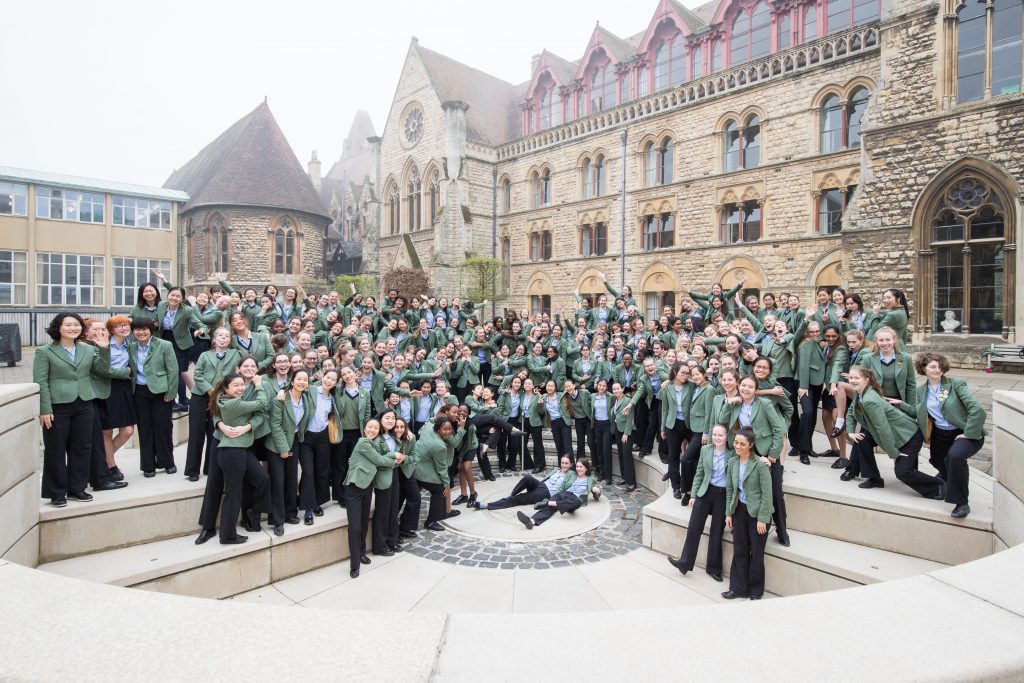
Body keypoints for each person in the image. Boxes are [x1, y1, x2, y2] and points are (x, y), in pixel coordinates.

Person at [34, 313, 113, 507]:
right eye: (68, 325)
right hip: (57, 406)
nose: (73, 328)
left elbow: (102, 369)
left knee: (82, 447)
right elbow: (40, 382)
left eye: (76, 325)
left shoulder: (86, 349)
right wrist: (44, 408)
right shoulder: (45, 352)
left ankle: (77, 488)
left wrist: (104, 349)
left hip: (84, 403)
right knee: (55, 450)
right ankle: (57, 492)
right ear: (58, 328)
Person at [844, 366, 945, 500]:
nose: (853, 381)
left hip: (908, 435)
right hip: (894, 433)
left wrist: (893, 452)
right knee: (861, 439)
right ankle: (874, 478)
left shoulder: (869, 400)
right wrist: (850, 432)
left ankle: (938, 485)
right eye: (851, 377)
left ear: (866, 380)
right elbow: (852, 411)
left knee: (902, 472)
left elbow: (882, 428)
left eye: (857, 378)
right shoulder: (860, 392)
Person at [912, 353, 985, 518]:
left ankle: (961, 503)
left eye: (939, 366)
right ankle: (947, 476)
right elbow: (918, 411)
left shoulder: (956, 384)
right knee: (937, 460)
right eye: (932, 366)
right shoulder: (921, 390)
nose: (937, 369)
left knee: (955, 457)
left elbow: (977, 410)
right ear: (923, 369)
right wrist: (899, 405)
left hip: (964, 432)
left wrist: (968, 433)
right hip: (940, 433)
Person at [208, 372, 271, 544]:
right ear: (226, 388)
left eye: (242, 384)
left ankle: (254, 511)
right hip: (232, 453)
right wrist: (258, 384)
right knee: (233, 494)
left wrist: (246, 427)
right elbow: (263, 403)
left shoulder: (224, 399)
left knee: (262, 478)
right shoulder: (234, 403)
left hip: (240, 449)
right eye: (236, 385)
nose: (241, 388)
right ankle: (227, 535)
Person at [669, 424, 731, 581]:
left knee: (716, 530)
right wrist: (693, 495)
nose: (717, 438)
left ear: (727, 436)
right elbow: (699, 474)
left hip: (722, 495)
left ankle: (714, 568)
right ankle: (685, 562)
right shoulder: (706, 450)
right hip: (705, 491)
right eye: (715, 434)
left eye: (721, 435)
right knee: (694, 527)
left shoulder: (732, 454)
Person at [721, 428, 773, 601]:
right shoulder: (733, 463)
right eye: (736, 442)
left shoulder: (760, 465)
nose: (738, 446)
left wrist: (762, 519)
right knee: (740, 550)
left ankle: (756, 590)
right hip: (739, 511)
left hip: (758, 513)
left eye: (742, 444)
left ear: (751, 445)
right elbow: (730, 489)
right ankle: (738, 588)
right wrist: (729, 513)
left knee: (756, 553)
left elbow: (767, 494)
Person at [186, 327, 240, 481]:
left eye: (227, 336)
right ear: (214, 339)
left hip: (222, 397)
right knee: (196, 433)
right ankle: (192, 470)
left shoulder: (235, 354)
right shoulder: (204, 355)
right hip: (201, 396)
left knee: (213, 433)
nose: (223, 338)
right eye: (220, 335)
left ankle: (210, 468)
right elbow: (197, 374)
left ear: (230, 340)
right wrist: (209, 389)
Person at [128, 316, 178, 477]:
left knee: (163, 427)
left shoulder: (164, 345)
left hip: (161, 392)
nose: (141, 332)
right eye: (137, 329)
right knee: (145, 428)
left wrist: (171, 392)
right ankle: (148, 465)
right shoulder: (132, 347)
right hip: (140, 392)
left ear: (150, 330)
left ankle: (167, 462)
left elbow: (173, 370)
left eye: (144, 329)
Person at [268, 369, 313, 526]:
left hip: (294, 440)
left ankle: (290, 512)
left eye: (305, 379)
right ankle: (277, 520)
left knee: (291, 479)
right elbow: (275, 425)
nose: (302, 382)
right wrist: (283, 448)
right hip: (277, 444)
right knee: (278, 481)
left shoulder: (306, 398)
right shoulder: (280, 399)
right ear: (292, 381)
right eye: (299, 379)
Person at [515, 458, 601, 529]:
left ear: (586, 468)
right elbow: (562, 482)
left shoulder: (590, 479)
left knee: (577, 502)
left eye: (581, 467)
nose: (578, 469)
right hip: (563, 494)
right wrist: (556, 493)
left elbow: (596, 496)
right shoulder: (572, 474)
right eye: (577, 466)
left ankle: (547, 502)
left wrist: (597, 491)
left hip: (573, 499)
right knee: (550, 508)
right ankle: (531, 521)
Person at [101, 316, 138, 481]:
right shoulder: (104, 345)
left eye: (125, 325)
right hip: (107, 388)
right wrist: (126, 372)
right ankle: (111, 465)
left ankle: (102, 459)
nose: (123, 328)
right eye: (119, 326)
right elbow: (103, 369)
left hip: (124, 389)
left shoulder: (129, 346)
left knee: (128, 431)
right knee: (106, 431)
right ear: (111, 330)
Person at [470, 455, 574, 510]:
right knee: (528, 477)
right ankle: (510, 495)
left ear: (571, 465)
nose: (564, 465)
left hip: (546, 493)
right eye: (562, 463)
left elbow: (581, 482)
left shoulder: (572, 475)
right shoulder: (556, 470)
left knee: (519, 499)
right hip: (541, 485)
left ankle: (488, 505)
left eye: (566, 463)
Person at [414, 416, 460, 531]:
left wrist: (438, 416)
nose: (448, 432)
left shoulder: (428, 428)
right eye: (444, 429)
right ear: (438, 429)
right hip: (421, 471)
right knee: (440, 491)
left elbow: (429, 420)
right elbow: (441, 468)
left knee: (410, 495)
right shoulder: (439, 446)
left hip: (415, 465)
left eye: (450, 429)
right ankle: (431, 522)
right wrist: (446, 484)